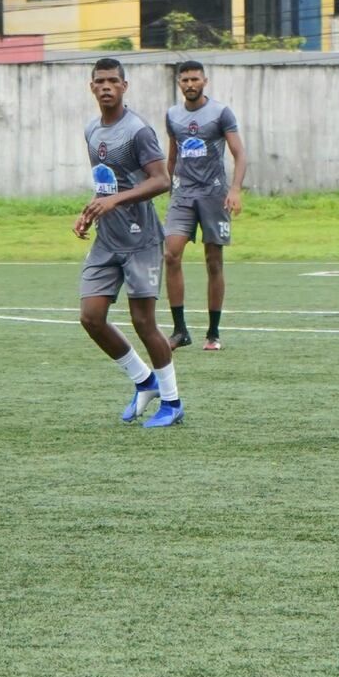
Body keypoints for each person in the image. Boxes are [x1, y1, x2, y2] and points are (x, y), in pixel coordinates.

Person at [73, 57, 183, 427]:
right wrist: (90, 211)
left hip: (141, 238)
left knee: (143, 322)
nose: (106, 86)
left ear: (124, 86)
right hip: (108, 239)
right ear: (92, 87)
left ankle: (172, 402)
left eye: (112, 81)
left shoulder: (137, 130)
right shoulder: (91, 130)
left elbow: (161, 180)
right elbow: (108, 183)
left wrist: (114, 201)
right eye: (99, 81)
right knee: (91, 317)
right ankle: (144, 381)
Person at [163, 60, 248, 351]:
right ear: (179, 83)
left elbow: (239, 153)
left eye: (194, 79)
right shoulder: (173, 115)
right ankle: (180, 330)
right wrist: (166, 184)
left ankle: (213, 333)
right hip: (183, 194)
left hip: (213, 194)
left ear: (204, 81)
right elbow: (172, 156)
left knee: (213, 261)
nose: (190, 84)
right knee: (170, 254)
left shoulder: (220, 113)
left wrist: (235, 189)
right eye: (184, 80)